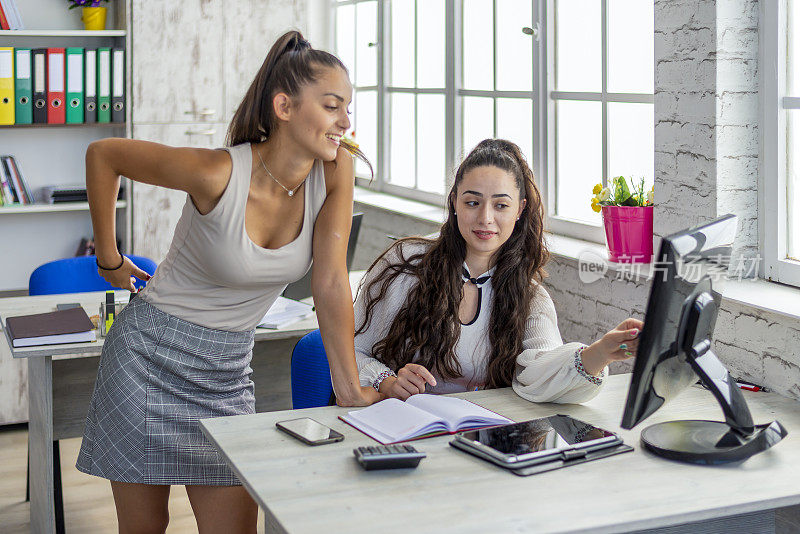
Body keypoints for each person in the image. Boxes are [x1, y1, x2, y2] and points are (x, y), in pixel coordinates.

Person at [76, 31, 379, 534]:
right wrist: (108, 261)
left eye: (348, 108)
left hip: (226, 375)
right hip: (145, 360)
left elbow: (329, 281)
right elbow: (104, 155)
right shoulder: (218, 171)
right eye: (332, 106)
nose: (345, 122)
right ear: (284, 106)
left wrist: (349, 387)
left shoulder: (335, 170)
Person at [354, 139, 643, 403]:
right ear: (454, 202)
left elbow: (539, 370)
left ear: (520, 209)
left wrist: (600, 353)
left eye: (501, 205)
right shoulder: (406, 264)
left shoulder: (529, 296)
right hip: (396, 426)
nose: (485, 218)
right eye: (472, 202)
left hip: (474, 438)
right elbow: (348, 348)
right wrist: (387, 381)